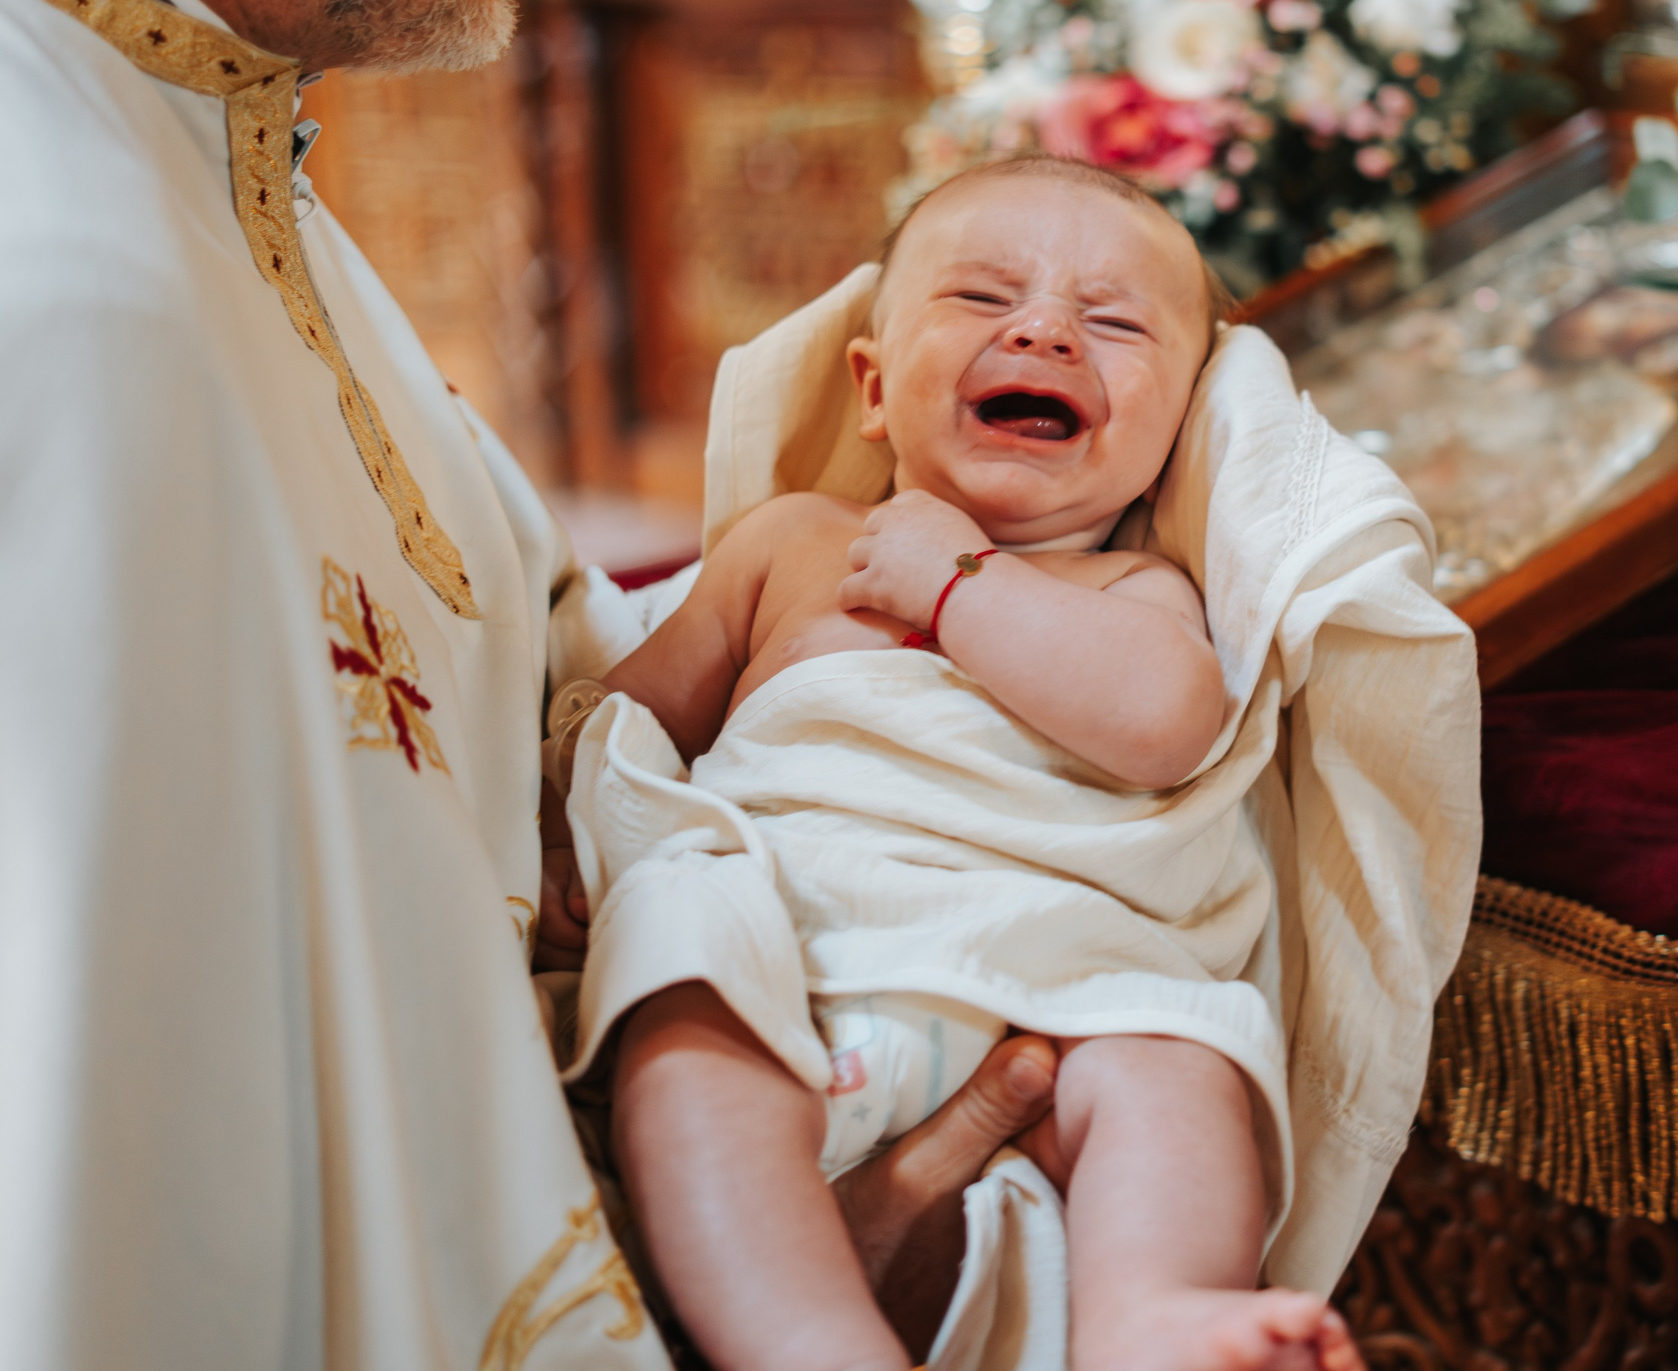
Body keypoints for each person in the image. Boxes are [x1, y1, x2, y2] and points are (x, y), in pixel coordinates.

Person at [0, 0, 1050, 1366]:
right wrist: (761, 1271)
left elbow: (468, 691)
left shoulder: (157, 106)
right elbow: (73, 1258)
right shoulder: (50, 295)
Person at [544, 157, 1364, 1371]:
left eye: (1115, 321)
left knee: (1179, 1053)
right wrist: (563, 833)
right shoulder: (791, 545)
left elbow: (1164, 725)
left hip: (1052, 980)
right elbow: (634, 723)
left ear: (1175, 432)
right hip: (788, 953)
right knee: (678, 983)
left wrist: (957, 588)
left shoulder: (1137, 589)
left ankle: (1153, 1309)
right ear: (873, 390)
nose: (1043, 328)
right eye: (984, 300)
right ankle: (802, 1339)